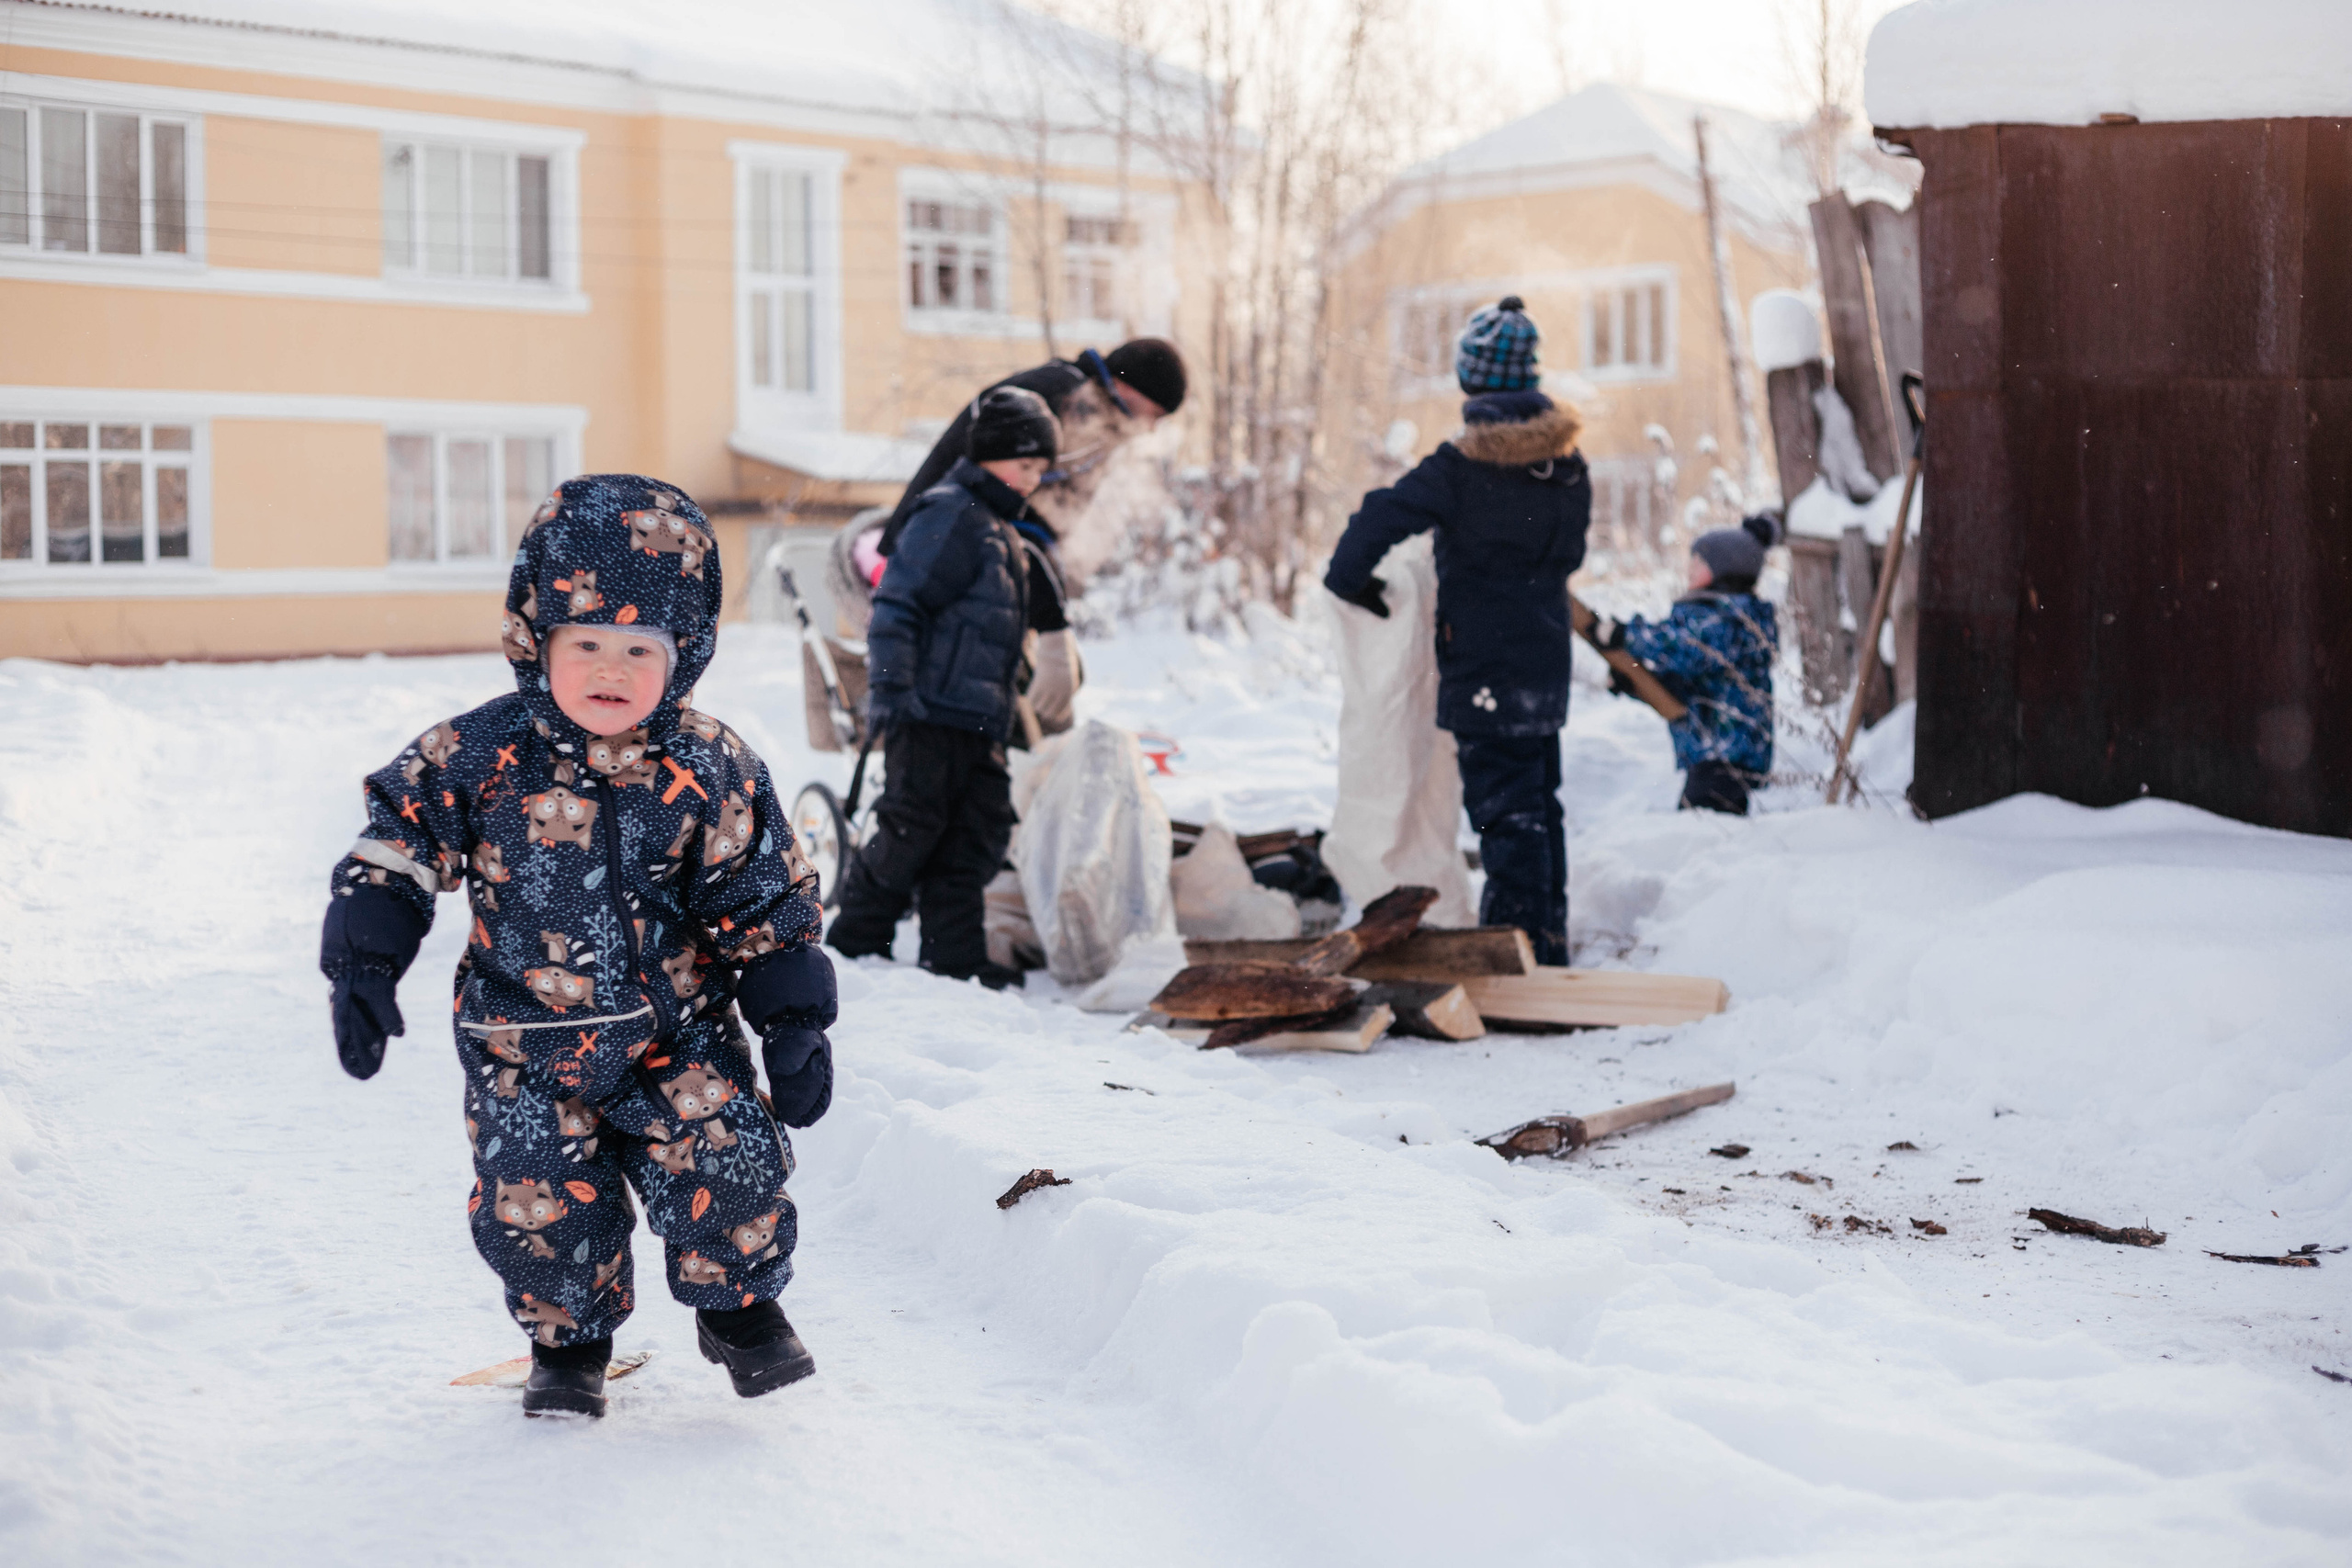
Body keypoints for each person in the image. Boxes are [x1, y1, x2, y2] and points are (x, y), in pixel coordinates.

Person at [318, 475, 838, 1420]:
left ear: (682, 655)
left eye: (640, 648)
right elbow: (394, 847)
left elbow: (762, 896)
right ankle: (571, 1342)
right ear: (536, 639)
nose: (611, 667)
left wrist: (794, 1017)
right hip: (526, 1042)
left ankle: (742, 1309)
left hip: (678, 1033)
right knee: (540, 1199)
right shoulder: (477, 755)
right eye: (586, 642)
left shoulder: (710, 764)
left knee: (729, 1158)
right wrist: (363, 957)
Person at [1322, 296, 1589, 964]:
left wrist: (1354, 583)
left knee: (1507, 815)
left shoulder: (1460, 470)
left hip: (1482, 674)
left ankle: (1519, 950)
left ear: (1471, 381)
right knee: (1539, 806)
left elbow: (1376, 520)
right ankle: (1548, 939)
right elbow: (1569, 558)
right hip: (1544, 668)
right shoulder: (1568, 468)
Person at [826, 387, 1061, 987]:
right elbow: (898, 606)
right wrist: (893, 691)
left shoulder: (997, 526)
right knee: (911, 828)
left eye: (1041, 469)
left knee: (977, 833)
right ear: (988, 454)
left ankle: (953, 955)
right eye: (1026, 464)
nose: (1034, 479)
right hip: (928, 709)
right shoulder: (950, 514)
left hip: (978, 716)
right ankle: (856, 941)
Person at [1590, 515, 1781, 815]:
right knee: (1704, 829)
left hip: (1727, 754)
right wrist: (1639, 682)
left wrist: (1626, 635)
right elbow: (1688, 685)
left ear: (1723, 568)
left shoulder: (1727, 620)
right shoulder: (1714, 616)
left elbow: (1683, 648)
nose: (1689, 567)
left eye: (1698, 561)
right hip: (1714, 752)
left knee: (1708, 834)